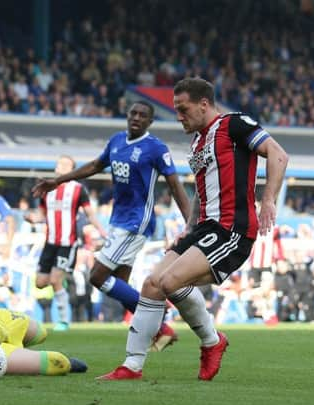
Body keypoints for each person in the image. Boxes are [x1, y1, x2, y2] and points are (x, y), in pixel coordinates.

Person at [98, 77, 288, 381]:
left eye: (183, 109)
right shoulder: (199, 142)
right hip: (203, 228)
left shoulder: (234, 124)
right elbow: (203, 191)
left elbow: (278, 154)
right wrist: (187, 227)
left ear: (204, 104)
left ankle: (212, 342)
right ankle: (131, 366)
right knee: (151, 284)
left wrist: (268, 201)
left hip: (231, 228)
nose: (178, 116)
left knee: (170, 281)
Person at [32, 101, 190, 348]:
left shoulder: (156, 148)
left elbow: (175, 185)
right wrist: (58, 181)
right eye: (133, 113)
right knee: (119, 283)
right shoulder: (116, 141)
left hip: (136, 222)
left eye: (143, 115)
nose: (136, 118)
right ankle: (159, 331)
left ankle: (157, 315)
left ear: (150, 122)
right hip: (118, 220)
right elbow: (95, 166)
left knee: (97, 276)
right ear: (127, 116)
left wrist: (190, 223)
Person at [34, 155, 107, 331]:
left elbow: (90, 214)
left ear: (73, 169)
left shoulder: (77, 189)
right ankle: (64, 295)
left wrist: (103, 232)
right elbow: (41, 215)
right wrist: (31, 218)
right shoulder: (47, 189)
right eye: (59, 163)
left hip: (68, 242)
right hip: (49, 243)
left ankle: (64, 321)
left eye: (66, 164)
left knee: (55, 279)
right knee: (40, 282)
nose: (61, 166)